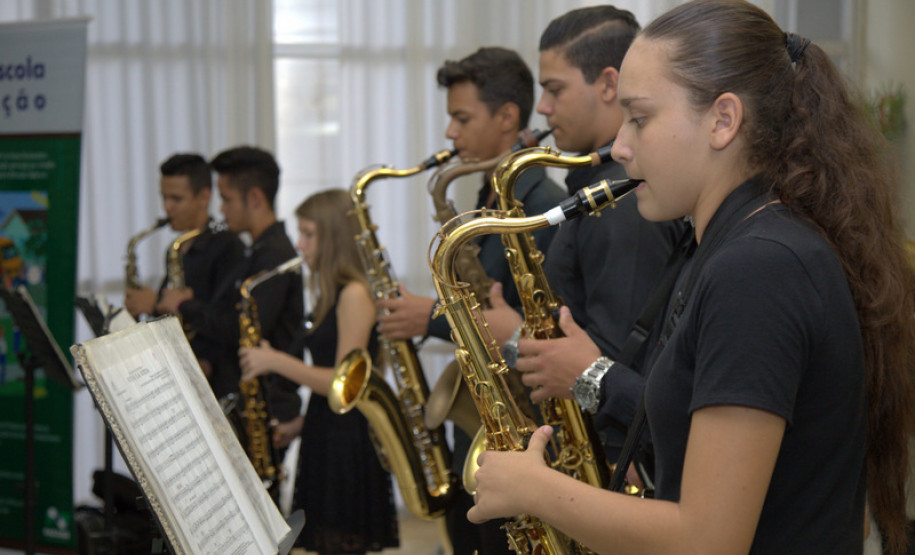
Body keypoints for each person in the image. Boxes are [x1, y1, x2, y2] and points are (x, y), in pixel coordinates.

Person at [469, 1, 915, 553]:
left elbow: (708, 541)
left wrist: (535, 489)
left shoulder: (759, 267)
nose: (621, 146)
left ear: (723, 120)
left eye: (640, 118)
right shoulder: (744, 243)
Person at [375, 46, 566, 555]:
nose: (449, 133)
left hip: (522, 429)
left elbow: (546, 325)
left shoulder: (542, 207)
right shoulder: (488, 198)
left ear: (507, 117)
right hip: (487, 423)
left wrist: (430, 317)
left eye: (462, 119)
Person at [485, 5, 687, 461]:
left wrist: (514, 338)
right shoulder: (602, 193)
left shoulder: (623, 203)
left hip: (611, 456)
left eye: (555, 89)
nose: (542, 107)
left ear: (609, 84)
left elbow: (618, 359)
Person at [239, 189, 399, 554]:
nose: (300, 244)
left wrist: (274, 360)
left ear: (335, 239)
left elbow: (344, 383)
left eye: (309, 234)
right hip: (328, 432)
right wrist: (302, 425)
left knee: (339, 545)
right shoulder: (335, 293)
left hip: (347, 443)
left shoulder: (354, 294)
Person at [160, 146, 303, 452]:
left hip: (268, 409)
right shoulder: (256, 251)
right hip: (250, 402)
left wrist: (184, 306)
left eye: (226, 199)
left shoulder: (273, 256)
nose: (221, 209)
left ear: (255, 198)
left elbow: (241, 329)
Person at [124, 153, 245, 376]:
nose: (167, 207)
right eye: (164, 198)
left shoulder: (228, 247)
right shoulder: (176, 248)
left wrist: (155, 303)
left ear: (204, 197)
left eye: (176, 199)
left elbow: (227, 324)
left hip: (212, 376)